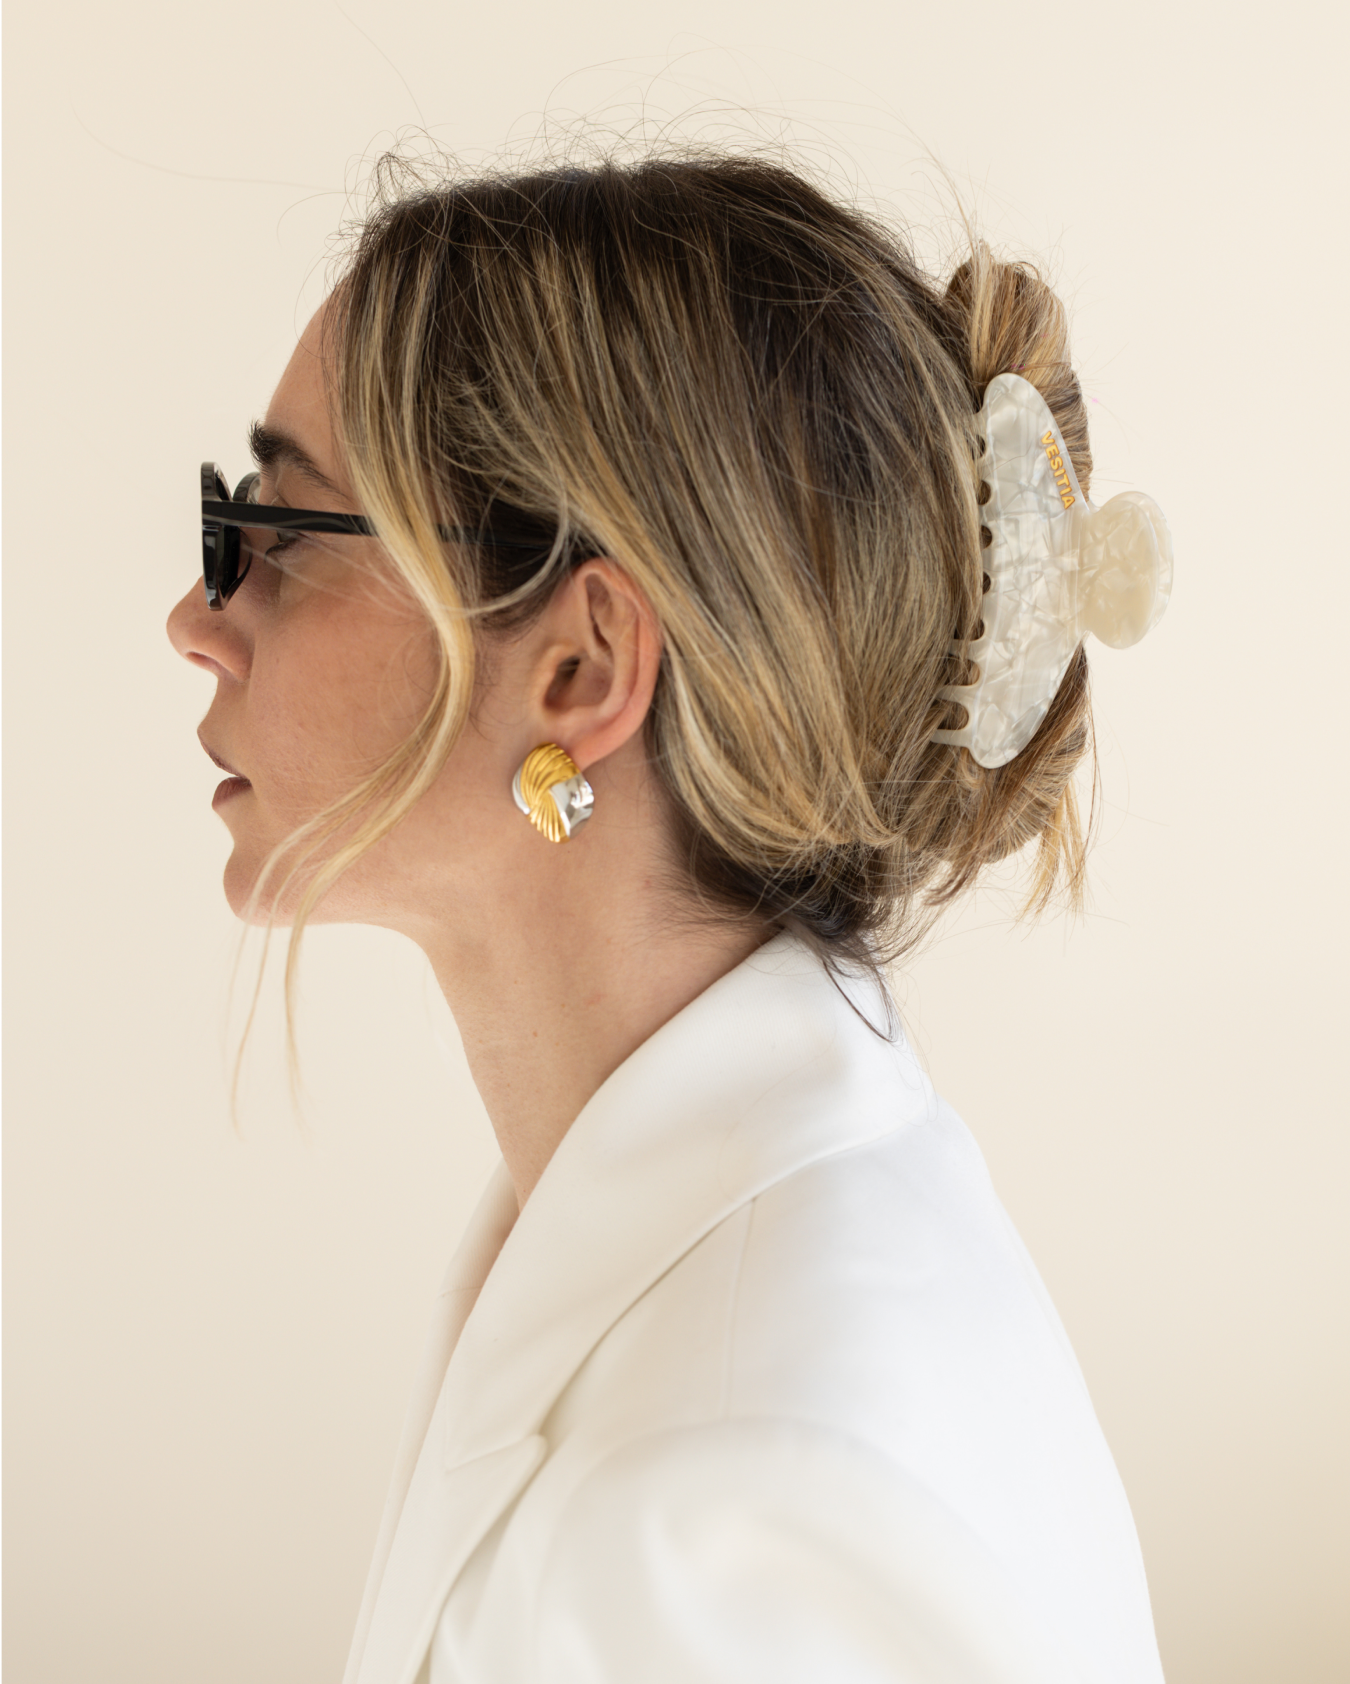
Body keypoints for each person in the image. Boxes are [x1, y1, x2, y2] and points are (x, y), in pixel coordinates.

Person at [169, 151, 1172, 1684]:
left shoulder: (737, 1506)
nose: (199, 616)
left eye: (287, 533)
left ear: (579, 669)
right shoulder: (661, 1259)